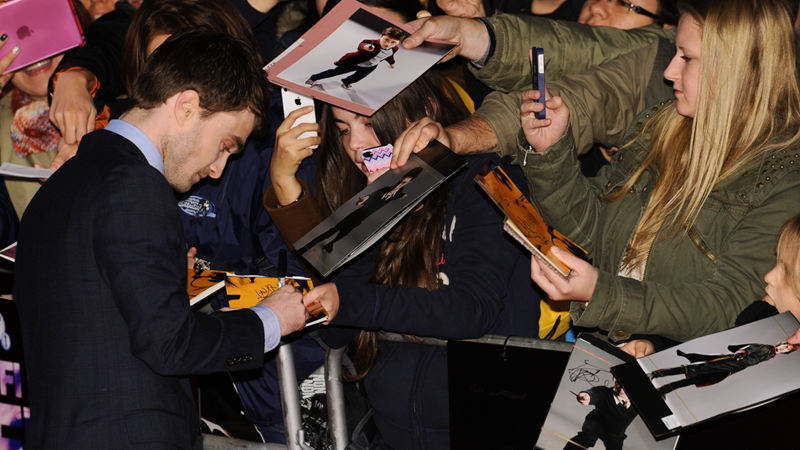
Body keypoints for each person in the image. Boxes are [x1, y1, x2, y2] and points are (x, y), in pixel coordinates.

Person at [12, 31, 319, 449]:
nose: (217, 169)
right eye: (225, 145)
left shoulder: (55, 190)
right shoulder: (135, 184)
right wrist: (270, 318)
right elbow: (170, 344)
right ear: (187, 106)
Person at [266, 70, 542, 449]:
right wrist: (375, 216)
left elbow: (472, 309)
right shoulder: (368, 195)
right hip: (396, 434)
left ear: (424, 113)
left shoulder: (488, 178)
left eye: (368, 122)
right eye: (344, 129)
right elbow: (335, 329)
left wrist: (355, 301)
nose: (356, 145)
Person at [511, 0, 800, 344]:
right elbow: (594, 228)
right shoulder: (661, 124)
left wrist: (602, 294)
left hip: (686, 374)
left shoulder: (783, 175)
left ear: (736, 69)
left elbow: (731, 305)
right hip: (606, 350)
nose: (669, 72)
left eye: (687, 57)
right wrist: (550, 151)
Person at [648, 343, 799, 396]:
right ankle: (654, 374)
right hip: (727, 361)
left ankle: (664, 390)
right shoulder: (767, 348)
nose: (784, 349)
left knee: (697, 379)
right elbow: (749, 348)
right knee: (692, 368)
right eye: (785, 346)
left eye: (787, 350)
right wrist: (740, 354)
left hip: (729, 369)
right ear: (781, 343)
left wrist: (732, 371)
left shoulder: (770, 355)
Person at [305, 26, 404, 90]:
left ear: (398, 43)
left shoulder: (394, 49)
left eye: (393, 42)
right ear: (381, 36)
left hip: (371, 66)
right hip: (355, 62)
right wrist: (366, 48)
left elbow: (389, 56)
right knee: (334, 72)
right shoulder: (371, 43)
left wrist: (392, 62)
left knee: (359, 77)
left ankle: (346, 82)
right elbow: (362, 45)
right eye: (386, 39)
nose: (388, 44)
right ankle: (313, 78)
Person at [565, 379, 637, 450]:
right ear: (613, 379)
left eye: (626, 385)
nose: (621, 388)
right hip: (596, 424)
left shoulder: (639, 403)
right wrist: (588, 396)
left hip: (615, 433)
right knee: (587, 437)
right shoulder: (604, 392)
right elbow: (596, 394)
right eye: (618, 383)